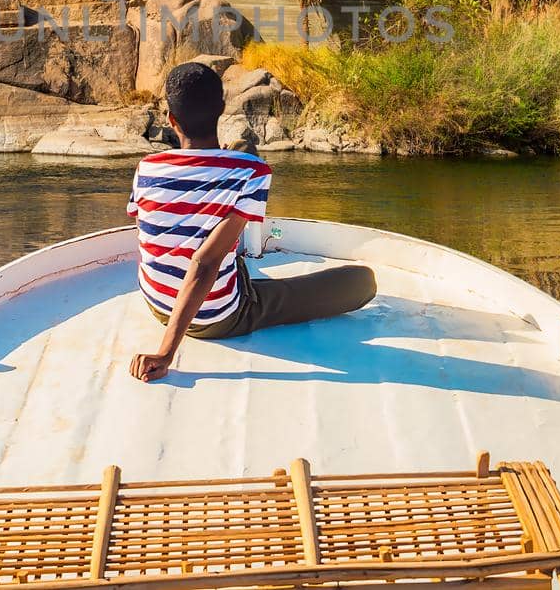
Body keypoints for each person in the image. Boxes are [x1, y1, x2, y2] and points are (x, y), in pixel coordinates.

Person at [126, 61, 377, 382]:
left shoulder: (146, 168)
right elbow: (204, 263)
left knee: (239, 162)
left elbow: (152, 236)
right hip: (216, 316)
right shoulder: (251, 171)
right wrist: (165, 352)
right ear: (221, 107)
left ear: (171, 119)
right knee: (361, 282)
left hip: (157, 303)